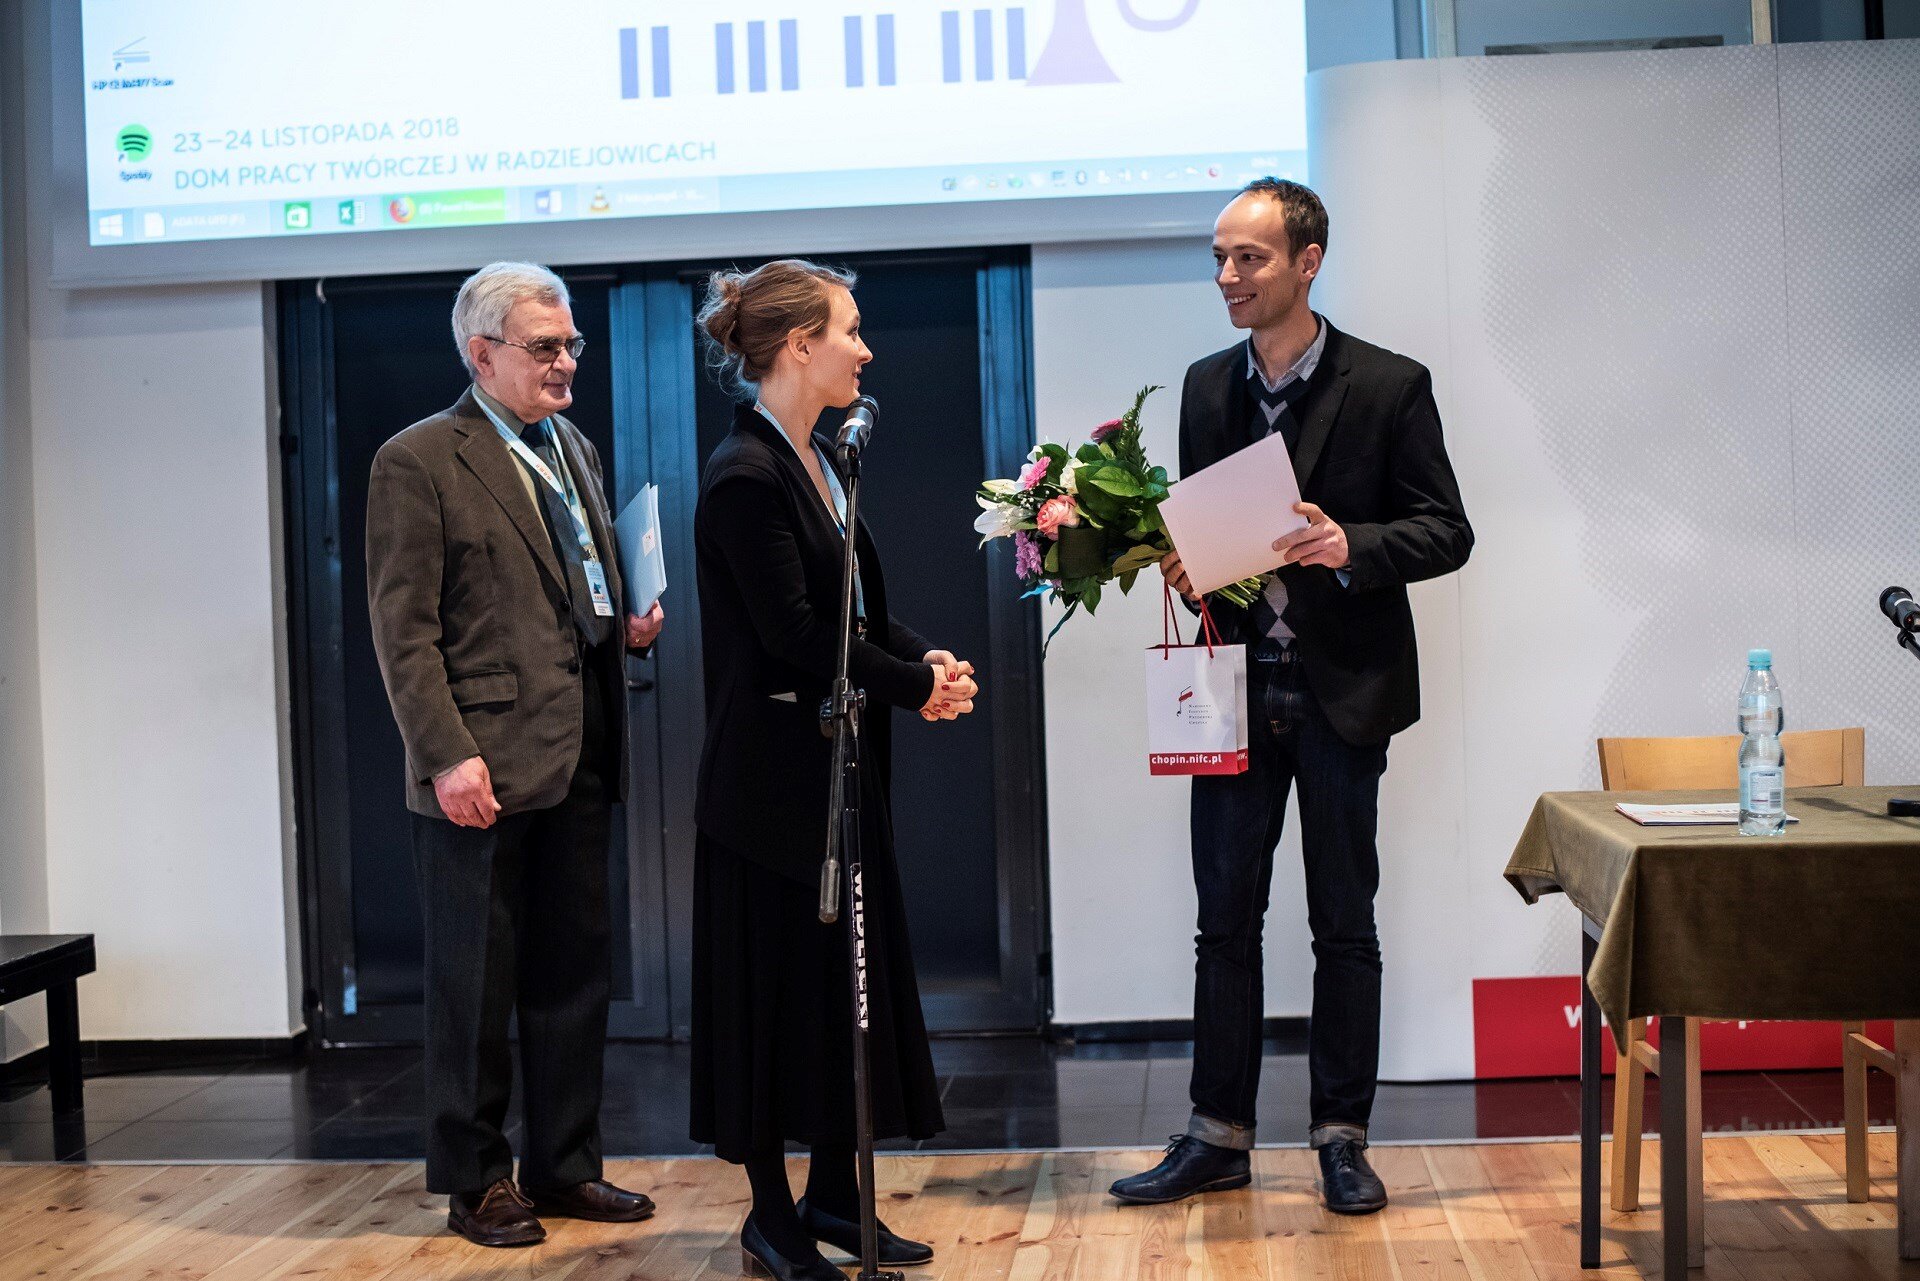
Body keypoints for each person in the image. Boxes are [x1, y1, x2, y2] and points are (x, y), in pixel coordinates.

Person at [1111, 180, 1473, 1215]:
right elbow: (1209, 537)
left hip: (1340, 696)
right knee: (1223, 923)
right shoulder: (1202, 387)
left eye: (1250, 259)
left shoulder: (1391, 385)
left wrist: (1349, 544)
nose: (1228, 277)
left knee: (1341, 925)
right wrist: (1186, 564)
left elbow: (1446, 531)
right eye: (1220, 258)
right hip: (1227, 690)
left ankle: (1341, 1138)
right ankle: (1216, 1137)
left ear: (1308, 261)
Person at [365, 261, 666, 1247]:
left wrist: (624, 619)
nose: (566, 362)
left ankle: (567, 1166)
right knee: (474, 987)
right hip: (479, 765)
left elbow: (577, 574)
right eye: (546, 347)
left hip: (578, 747)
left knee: (571, 978)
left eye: (571, 344)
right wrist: (444, 753)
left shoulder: (569, 444)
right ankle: (477, 1180)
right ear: (480, 353)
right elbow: (402, 630)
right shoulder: (418, 460)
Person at [690, 259, 979, 1279]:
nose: (864, 348)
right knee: (776, 996)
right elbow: (795, 633)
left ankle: (834, 1201)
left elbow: (850, 606)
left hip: (827, 776)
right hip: (769, 792)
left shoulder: (809, 457)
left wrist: (921, 658)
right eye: (849, 331)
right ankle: (771, 1214)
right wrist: (912, 686)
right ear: (798, 347)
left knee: (832, 994)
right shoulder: (745, 474)